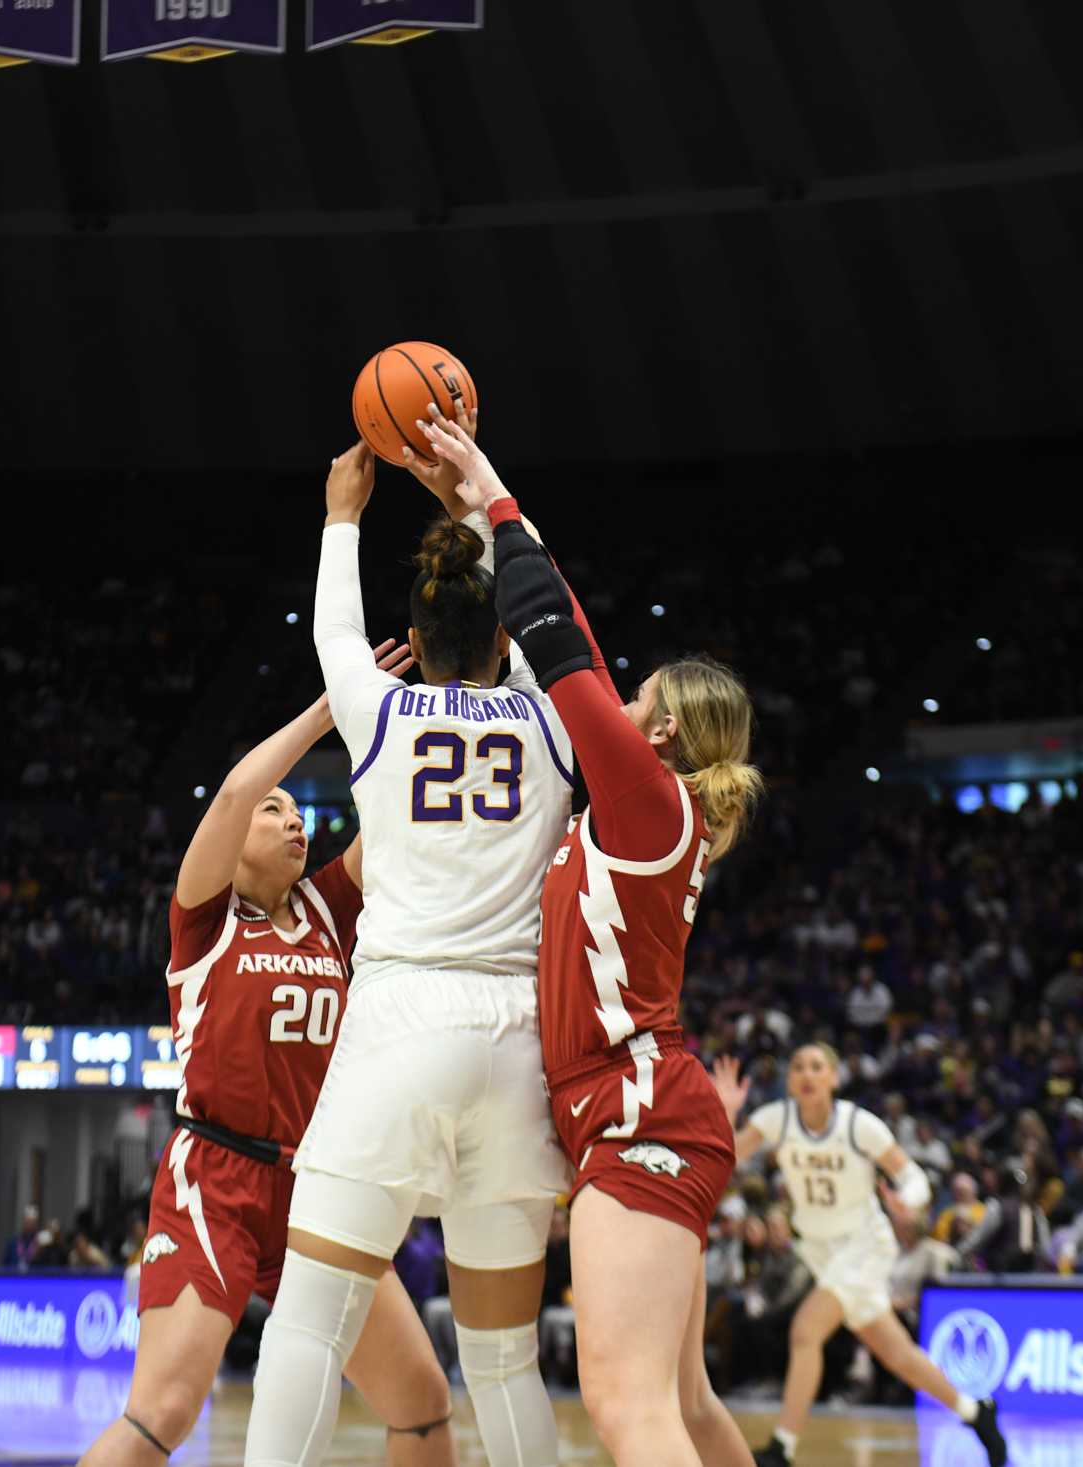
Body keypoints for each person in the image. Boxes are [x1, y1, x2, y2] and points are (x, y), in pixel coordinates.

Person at [243, 424, 591, 1467]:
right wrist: (483, 503)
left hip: (400, 1023)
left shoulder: (380, 713)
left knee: (309, 1325)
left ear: (420, 631)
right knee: (501, 1363)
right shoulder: (546, 720)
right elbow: (556, 624)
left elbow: (335, 639)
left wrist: (340, 516)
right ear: (501, 643)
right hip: (517, 1041)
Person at [426, 417, 762, 1467]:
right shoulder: (648, 805)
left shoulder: (648, 799)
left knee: (627, 1410)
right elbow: (554, 648)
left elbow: (558, 640)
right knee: (687, 1407)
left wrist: (493, 492)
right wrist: (481, 528)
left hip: (637, 1113)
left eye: (638, 697)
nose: (620, 700)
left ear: (656, 731)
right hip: (644, 1107)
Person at [83, 640, 453, 1467]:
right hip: (217, 1177)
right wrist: (328, 711)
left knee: (422, 1403)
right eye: (275, 811)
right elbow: (231, 795)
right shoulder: (204, 919)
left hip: (317, 1185)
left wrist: (434, 698)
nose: (293, 819)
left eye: (298, 812)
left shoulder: (327, 907)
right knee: (163, 1413)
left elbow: (401, 812)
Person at [717, 1043, 1007, 1467]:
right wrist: (726, 1113)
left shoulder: (858, 1125)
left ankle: (782, 1447)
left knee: (805, 1331)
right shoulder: (775, 1119)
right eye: (798, 1067)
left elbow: (911, 1176)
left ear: (834, 1078)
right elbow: (724, 1160)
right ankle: (976, 1411)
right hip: (818, 1250)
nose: (806, 1074)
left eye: (817, 1066)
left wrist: (908, 1200)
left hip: (864, 1246)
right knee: (896, 1354)